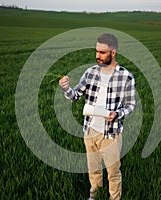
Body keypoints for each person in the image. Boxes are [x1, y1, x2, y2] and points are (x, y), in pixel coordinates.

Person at [59, 33, 136, 200]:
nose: (97, 55)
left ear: (113, 53)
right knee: (93, 169)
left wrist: (118, 114)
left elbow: (131, 105)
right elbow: (75, 96)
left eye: (102, 52)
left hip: (111, 134)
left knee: (113, 172)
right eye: (96, 51)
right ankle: (94, 196)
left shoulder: (126, 77)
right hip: (90, 130)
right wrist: (66, 89)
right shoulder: (90, 73)